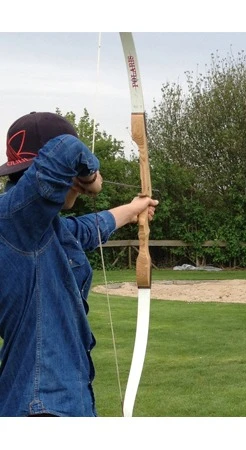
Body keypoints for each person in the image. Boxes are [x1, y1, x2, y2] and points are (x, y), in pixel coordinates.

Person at [0, 111, 158, 417]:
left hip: (55, 403)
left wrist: (132, 209)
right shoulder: (13, 220)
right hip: (43, 409)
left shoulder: (38, 231)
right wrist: (90, 178)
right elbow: (67, 148)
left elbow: (84, 230)